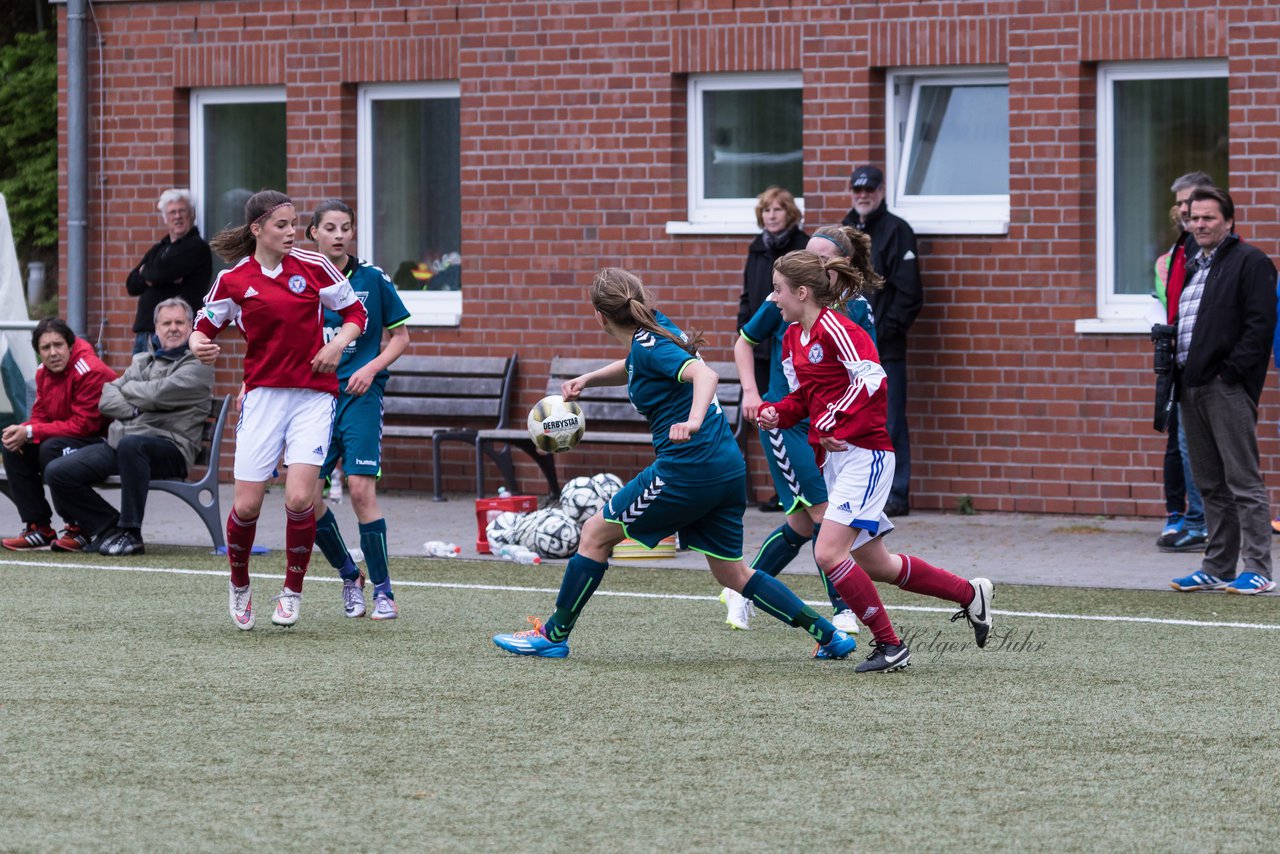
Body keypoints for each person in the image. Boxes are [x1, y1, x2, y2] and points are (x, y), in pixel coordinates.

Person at [493, 268, 857, 661]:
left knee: (595, 535)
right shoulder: (654, 328)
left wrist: (694, 419)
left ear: (599, 316)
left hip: (687, 470)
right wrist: (590, 379)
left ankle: (553, 634)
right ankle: (827, 635)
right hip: (725, 467)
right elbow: (640, 362)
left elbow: (705, 374)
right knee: (733, 574)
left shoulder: (650, 344)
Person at [758, 250, 993, 673]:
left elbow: (873, 377)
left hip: (867, 456)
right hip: (837, 462)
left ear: (803, 291)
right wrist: (780, 411)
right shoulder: (793, 336)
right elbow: (805, 400)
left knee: (828, 553)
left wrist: (833, 416)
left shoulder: (836, 327)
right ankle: (970, 593)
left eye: (778, 290)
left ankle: (891, 646)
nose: (773, 299)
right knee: (877, 564)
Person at [190, 189, 368, 629]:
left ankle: (291, 592)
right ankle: (239, 583)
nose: (292, 232)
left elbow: (356, 315)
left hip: (314, 396)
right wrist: (199, 345)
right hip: (264, 399)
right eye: (282, 225)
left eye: (294, 224)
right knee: (247, 506)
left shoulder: (314, 267)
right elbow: (202, 326)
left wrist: (337, 345)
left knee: (299, 496)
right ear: (258, 230)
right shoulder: (234, 279)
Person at [720, 225, 881, 634]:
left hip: (829, 426)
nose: (811, 263)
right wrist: (754, 396)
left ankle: (742, 586)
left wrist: (850, 422)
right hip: (787, 424)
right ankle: (842, 608)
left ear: (842, 264)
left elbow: (867, 374)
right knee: (824, 514)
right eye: (807, 254)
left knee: (804, 524)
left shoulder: (855, 308)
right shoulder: (786, 298)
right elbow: (743, 342)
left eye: (821, 257)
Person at [304, 199, 411, 621]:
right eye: (329, 227)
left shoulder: (373, 279)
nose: (338, 234)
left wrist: (369, 368)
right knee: (305, 497)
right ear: (313, 232)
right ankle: (351, 576)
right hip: (312, 398)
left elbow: (401, 338)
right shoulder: (301, 280)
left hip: (360, 396)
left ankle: (384, 591)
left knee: (362, 490)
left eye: (345, 227)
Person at [1168, 187, 1277, 595]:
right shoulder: (1194, 266)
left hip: (1225, 388)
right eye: (1194, 218)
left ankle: (1259, 569)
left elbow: (1260, 326)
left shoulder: (1251, 262)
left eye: (1208, 218)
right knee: (1210, 484)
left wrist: (1231, 374)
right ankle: (1217, 566)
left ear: (1228, 222)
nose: (1199, 224)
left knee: (1243, 481)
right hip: (1191, 386)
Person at [42, 298, 215, 555]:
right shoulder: (143, 361)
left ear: (191, 327)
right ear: (156, 329)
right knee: (58, 472)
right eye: (166, 323)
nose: (173, 328)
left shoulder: (199, 364)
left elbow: (158, 394)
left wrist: (129, 391)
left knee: (132, 445)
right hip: (124, 443)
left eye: (180, 322)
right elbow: (107, 395)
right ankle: (110, 527)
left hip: (171, 449)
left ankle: (131, 532)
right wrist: (136, 407)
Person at [842, 165, 922, 516]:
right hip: (845, 349)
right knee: (848, 419)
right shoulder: (841, 231)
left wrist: (883, 331)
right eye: (857, 189)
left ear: (881, 190)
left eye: (869, 189)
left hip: (885, 349)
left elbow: (910, 294)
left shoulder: (898, 231)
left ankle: (897, 494)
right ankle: (857, 492)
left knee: (889, 420)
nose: (863, 195)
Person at [1, 317, 117, 551]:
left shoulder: (89, 370)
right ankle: (39, 527)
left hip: (104, 444)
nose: (53, 352)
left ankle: (78, 526)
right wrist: (23, 431)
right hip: (70, 438)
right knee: (14, 446)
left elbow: (86, 426)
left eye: (58, 345)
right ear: (39, 352)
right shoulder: (43, 372)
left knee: (50, 449)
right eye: (46, 347)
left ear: (70, 345)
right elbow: (40, 415)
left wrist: (32, 430)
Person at [1152, 172, 1214, 552]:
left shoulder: (1216, 253)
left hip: (1208, 365)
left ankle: (1202, 521)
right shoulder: (1177, 252)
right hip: (1179, 359)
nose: (1185, 211)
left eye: (1190, 202)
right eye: (1180, 204)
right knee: (1179, 443)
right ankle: (1188, 517)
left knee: (1202, 445)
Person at [738, 187, 809, 511]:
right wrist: (747, 325)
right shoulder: (756, 249)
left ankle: (800, 483)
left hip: (789, 339)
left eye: (778, 209)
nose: (771, 215)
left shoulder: (802, 249)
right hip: (763, 341)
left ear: (789, 213)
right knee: (769, 411)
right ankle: (785, 486)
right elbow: (748, 296)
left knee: (790, 409)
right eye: (767, 210)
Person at [126, 189, 213, 355]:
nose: (177, 216)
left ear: (192, 215)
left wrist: (151, 274)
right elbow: (131, 284)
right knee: (137, 380)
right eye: (172, 212)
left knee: (165, 381)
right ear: (166, 218)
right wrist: (151, 275)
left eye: (182, 211)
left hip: (174, 337)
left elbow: (159, 273)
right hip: (145, 335)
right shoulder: (159, 249)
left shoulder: (196, 247)